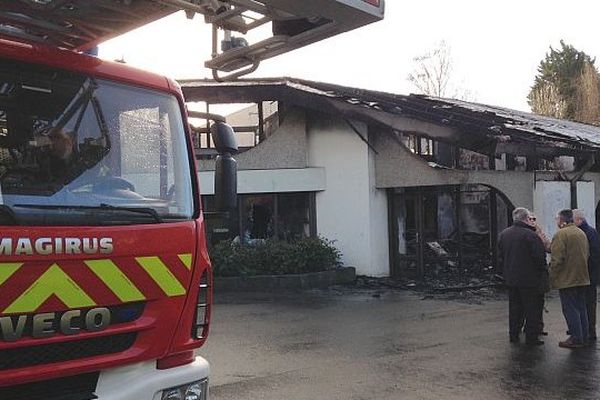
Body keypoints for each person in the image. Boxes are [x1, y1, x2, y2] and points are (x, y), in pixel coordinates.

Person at [498, 207, 547, 345]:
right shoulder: (531, 235)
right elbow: (539, 257)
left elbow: (500, 255)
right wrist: (542, 271)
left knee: (514, 308)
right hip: (529, 279)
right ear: (526, 219)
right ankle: (531, 337)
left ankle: (513, 335)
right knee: (531, 308)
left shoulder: (504, 234)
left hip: (511, 278)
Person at [550, 209, 590, 348]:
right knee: (581, 308)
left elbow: (557, 259)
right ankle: (584, 335)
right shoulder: (581, 233)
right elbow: (587, 253)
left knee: (570, 309)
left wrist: (552, 276)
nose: (556, 221)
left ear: (562, 220)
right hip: (582, 277)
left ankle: (576, 338)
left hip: (567, 279)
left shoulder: (561, 234)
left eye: (557, 219)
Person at [573, 209, 600, 341]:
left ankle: (589, 329)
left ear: (579, 220)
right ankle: (585, 328)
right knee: (584, 302)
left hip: (588, 275)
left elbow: (594, 255)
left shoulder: (587, 233)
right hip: (588, 274)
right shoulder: (589, 232)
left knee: (588, 303)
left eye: (572, 221)